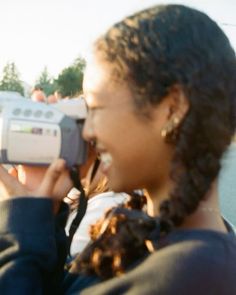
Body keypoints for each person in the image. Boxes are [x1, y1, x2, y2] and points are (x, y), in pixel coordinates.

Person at [0, 4, 236, 295]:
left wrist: (19, 235)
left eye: (96, 107)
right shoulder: (147, 235)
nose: (87, 132)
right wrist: (42, 214)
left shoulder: (189, 277)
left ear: (172, 108)